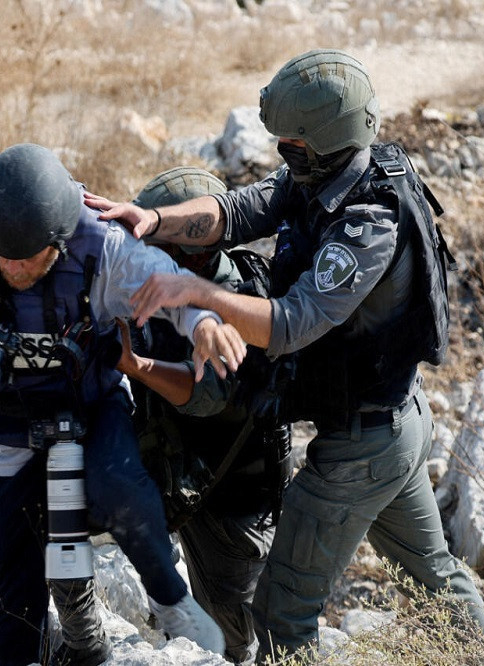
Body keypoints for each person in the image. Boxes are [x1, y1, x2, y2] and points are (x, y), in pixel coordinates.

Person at [87, 49, 484, 662]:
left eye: (293, 145)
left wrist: (197, 293)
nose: (284, 154)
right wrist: (153, 219)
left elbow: (290, 324)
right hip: (394, 423)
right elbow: (236, 211)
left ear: (328, 140)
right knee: (432, 574)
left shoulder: (368, 223)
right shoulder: (325, 174)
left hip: (364, 445)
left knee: (282, 612)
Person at [0, 143, 241, 665]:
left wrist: (204, 323)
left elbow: (171, 292)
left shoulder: (101, 243)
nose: (14, 267)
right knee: (8, 558)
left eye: (28, 258)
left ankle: (171, 601)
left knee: (121, 487)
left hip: (91, 401)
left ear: (59, 242)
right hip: (3, 420)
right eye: (3, 256)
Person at [117, 166, 290, 665]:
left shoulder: (236, 300)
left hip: (233, 504)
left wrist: (135, 365)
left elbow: (205, 395)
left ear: (191, 253)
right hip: (191, 480)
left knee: (233, 639)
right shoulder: (174, 285)